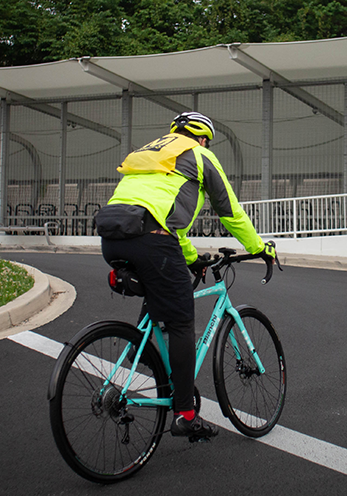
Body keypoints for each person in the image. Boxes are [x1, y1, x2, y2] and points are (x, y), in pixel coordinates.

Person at [95, 111, 277, 440]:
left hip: (112, 235)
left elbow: (164, 218)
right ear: (203, 138)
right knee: (181, 321)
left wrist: (192, 258)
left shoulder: (152, 153)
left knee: (160, 299)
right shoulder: (200, 155)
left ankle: (153, 364)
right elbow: (230, 211)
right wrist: (260, 247)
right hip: (151, 240)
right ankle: (185, 413)